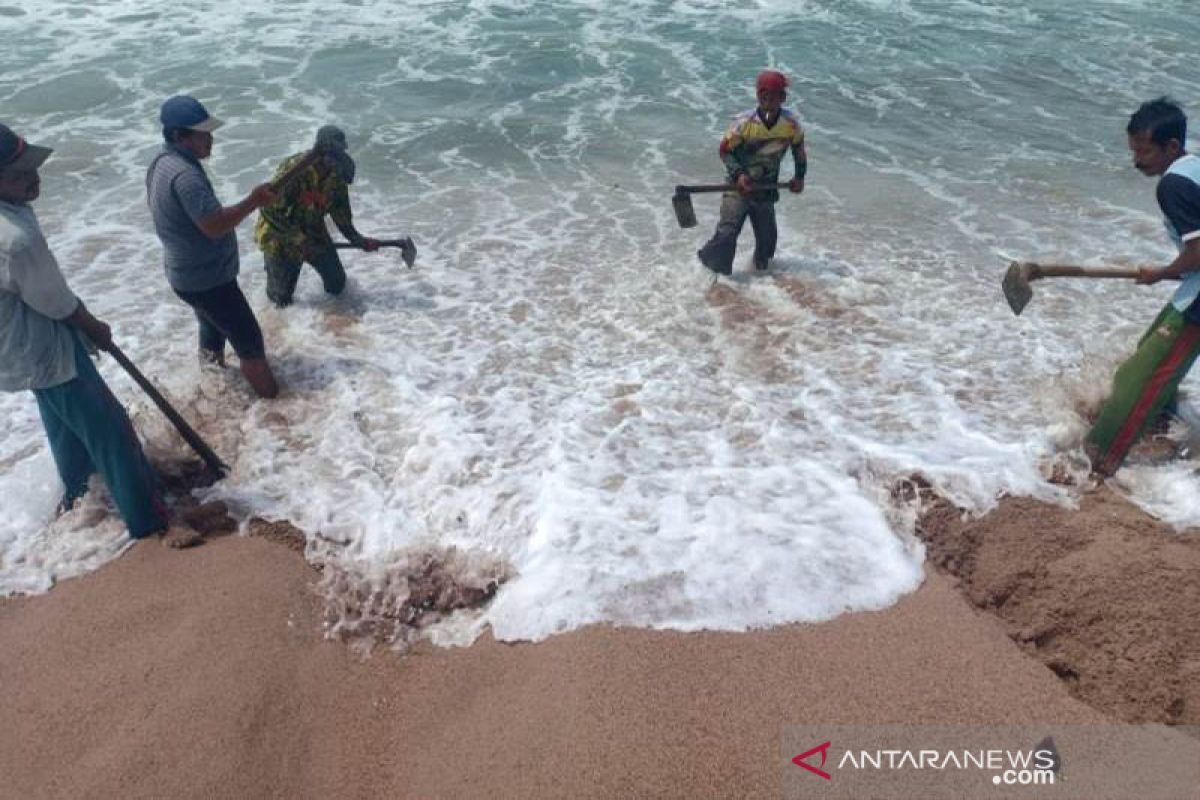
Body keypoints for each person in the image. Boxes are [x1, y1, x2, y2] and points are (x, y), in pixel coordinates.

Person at [0, 124, 201, 547]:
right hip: (44, 344)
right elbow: (53, 300)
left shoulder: (10, 209)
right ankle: (151, 521)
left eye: (32, 167)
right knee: (112, 431)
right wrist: (94, 327)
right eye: (19, 173)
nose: (33, 177)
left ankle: (80, 504)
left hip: (21, 346)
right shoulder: (14, 239)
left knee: (67, 428)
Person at [1087, 98, 1200, 476]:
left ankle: (1100, 462)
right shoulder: (1194, 167)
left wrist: (1162, 272)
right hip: (1193, 291)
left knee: (1141, 380)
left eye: (1145, 151)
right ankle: (1180, 440)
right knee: (1146, 362)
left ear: (1171, 147)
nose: (1137, 160)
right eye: (1134, 150)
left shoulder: (1173, 186)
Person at [145, 95, 279, 398]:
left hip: (185, 275)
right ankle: (275, 410)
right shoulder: (186, 176)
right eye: (203, 133)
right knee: (250, 345)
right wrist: (254, 201)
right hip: (208, 281)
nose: (211, 139)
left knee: (212, 332)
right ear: (179, 136)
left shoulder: (161, 164)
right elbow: (214, 225)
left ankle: (213, 394)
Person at [255, 126, 380, 307]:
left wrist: (359, 240)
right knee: (280, 301)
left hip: (313, 230)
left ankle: (331, 323)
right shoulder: (294, 170)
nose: (334, 158)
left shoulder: (338, 174)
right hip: (280, 235)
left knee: (337, 285)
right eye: (330, 151)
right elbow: (269, 210)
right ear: (319, 149)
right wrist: (299, 240)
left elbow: (341, 215)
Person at [697, 69, 807, 276]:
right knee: (727, 234)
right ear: (758, 96)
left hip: (765, 188)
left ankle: (761, 285)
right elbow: (725, 151)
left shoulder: (790, 125)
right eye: (763, 95)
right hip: (737, 186)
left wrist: (799, 177)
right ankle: (712, 276)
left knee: (767, 243)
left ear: (783, 98)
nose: (768, 101)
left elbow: (799, 151)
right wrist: (739, 174)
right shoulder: (744, 123)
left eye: (774, 96)